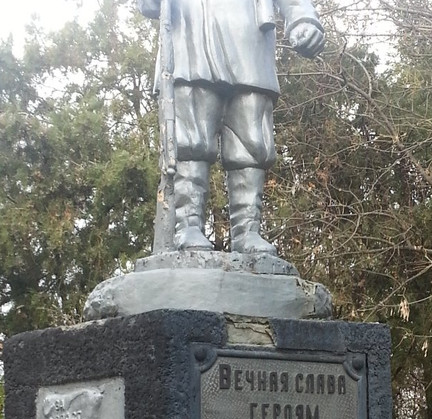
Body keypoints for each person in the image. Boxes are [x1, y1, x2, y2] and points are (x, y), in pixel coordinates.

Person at [138, 0, 325, 254]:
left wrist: (303, 18)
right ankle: (188, 224)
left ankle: (247, 230)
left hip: (249, 40)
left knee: (252, 142)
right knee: (190, 139)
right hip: (190, 33)